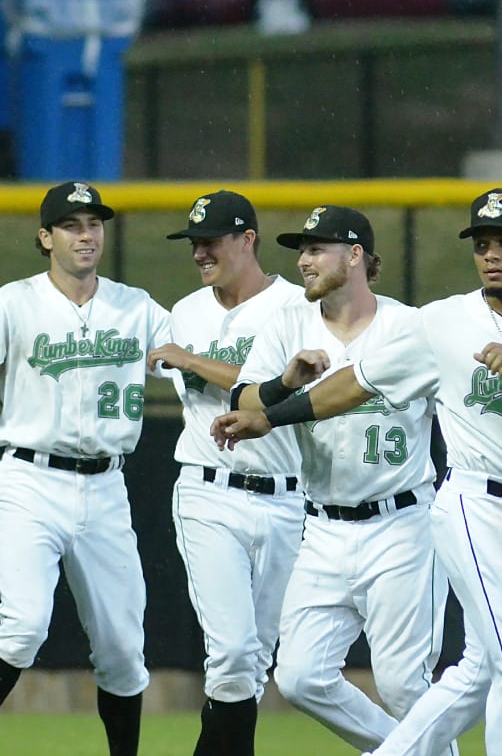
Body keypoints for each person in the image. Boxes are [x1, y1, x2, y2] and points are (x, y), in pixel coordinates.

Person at [214, 187, 502, 756]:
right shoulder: (444, 322)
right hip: (469, 505)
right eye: (481, 244)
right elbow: (354, 385)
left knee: (475, 670)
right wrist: (270, 416)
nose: (490, 254)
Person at [0, 181, 171, 756]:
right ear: (45, 238)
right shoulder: (13, 302)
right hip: (32, 480)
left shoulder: (136, 307)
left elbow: (191, 363)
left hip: (107, 485)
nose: (86, 235)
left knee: (122, 650)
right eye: (71, 226)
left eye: (93, 224)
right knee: (23, 625)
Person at [229, 205, 452, 755]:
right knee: (300, 676)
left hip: (402, 524)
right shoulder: (288, 326)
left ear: (355, 255)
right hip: (323, 528)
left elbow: (464, 413)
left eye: (316, 249)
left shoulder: (409, 327)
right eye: (301, 251)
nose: (303, 261)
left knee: (404, 685)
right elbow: (243, 402)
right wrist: (285, 382)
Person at [145, 190, 306, 755]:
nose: (200, 252)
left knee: (253, 665)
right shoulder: (185, 311)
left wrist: (191, 359)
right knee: (233, 653)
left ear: (248, 239)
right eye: (194, 242)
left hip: (287, 497)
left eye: (211, 241)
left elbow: (277, 388)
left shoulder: (296, 307)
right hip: (209, 492)